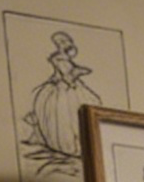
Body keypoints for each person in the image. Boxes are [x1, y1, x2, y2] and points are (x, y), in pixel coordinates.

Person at [21, 31, 99, 172]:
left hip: (69, 87)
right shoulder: (59, 58)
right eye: (62, 42)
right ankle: (67, 146)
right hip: (63, 89)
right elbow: (67, 75)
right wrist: (78, 72)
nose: (66, 45)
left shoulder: (64, 58)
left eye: (67, 42)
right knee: (62, 115)